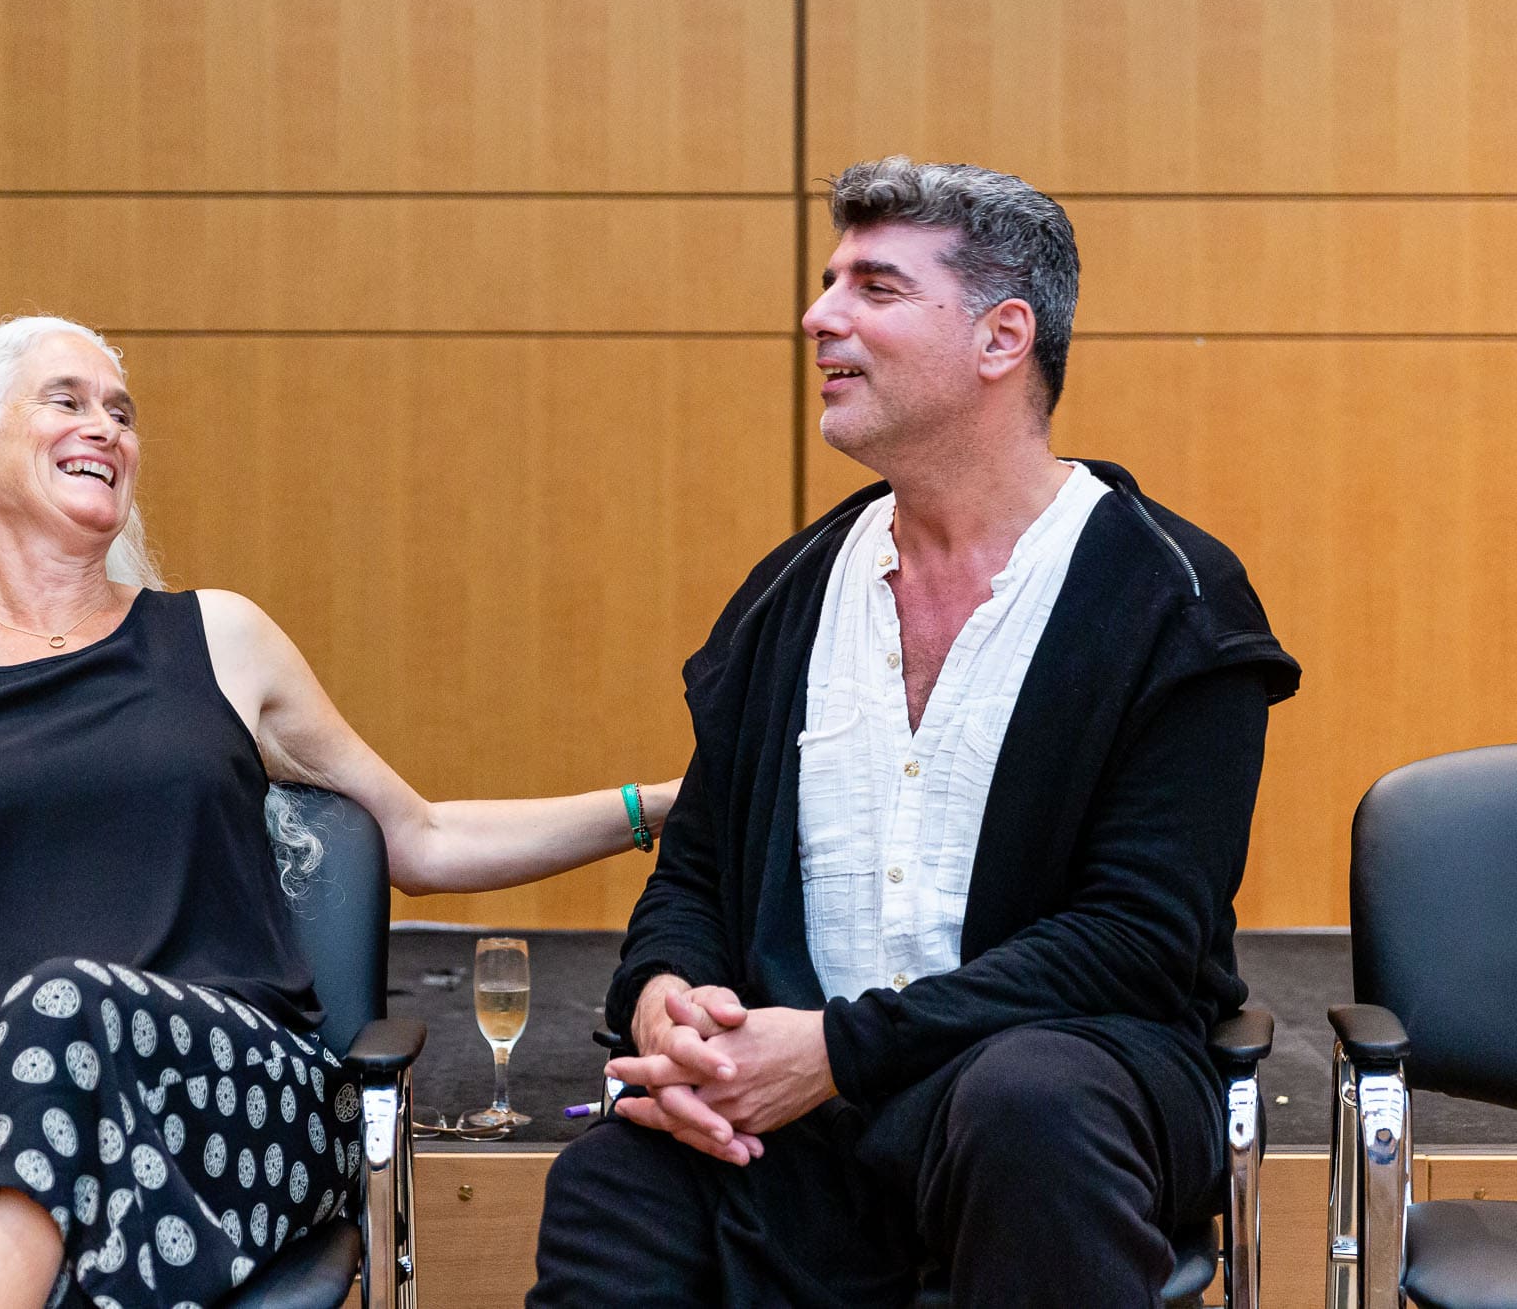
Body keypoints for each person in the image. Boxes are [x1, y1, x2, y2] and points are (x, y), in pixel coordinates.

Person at [0, 314, 679, 1309]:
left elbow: (426, 837)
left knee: (63, 1008)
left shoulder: (220, 639)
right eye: (66, 401)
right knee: (35, 1093)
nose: (105, 427)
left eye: (121, 412)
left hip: (224, 1104)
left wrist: (666, 807)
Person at [529, 157, 1301, 1308]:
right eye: (826, 281)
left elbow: (1134, 938)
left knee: (1025, 1105)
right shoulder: (786, 594)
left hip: (1063, 1079)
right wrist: (666, 1000)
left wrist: (836, 1051)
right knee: (615, 1175)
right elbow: (693, 873)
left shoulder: (1171, 599)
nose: (817, 316)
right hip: (802, 1111)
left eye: (874, 287)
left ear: (1000, 338)